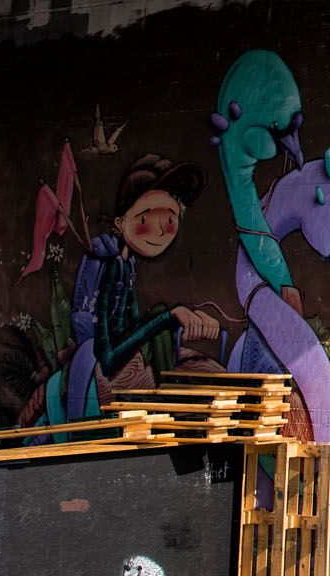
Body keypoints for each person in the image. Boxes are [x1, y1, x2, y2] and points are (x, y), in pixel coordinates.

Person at [47, 154, 217, 429]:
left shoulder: (127, 265)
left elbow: (134, 329)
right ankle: (170, 399)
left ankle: (171, 392)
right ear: (119, 221)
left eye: (170, 219)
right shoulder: (110, 266)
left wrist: (176, 322)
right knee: (163, 314)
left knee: (164, 317)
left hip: (121, 357)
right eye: (147, 217)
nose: (161, 229)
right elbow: (109, 355)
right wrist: (168, 318)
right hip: (99, 362)